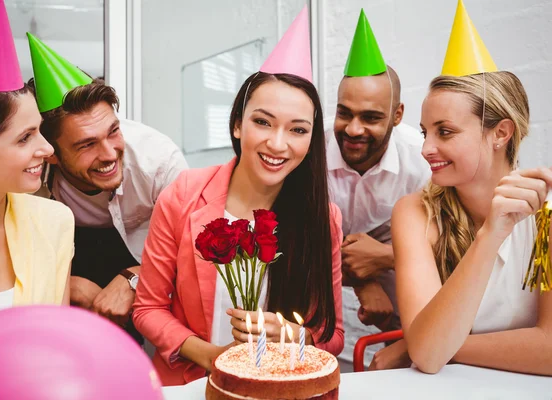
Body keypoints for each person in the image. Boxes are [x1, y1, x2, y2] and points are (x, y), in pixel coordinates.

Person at [132, 8, 344, 385]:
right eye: (262, 122)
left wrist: (294, 335)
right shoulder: (183, 194)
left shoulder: (321, 217)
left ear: (311, 142)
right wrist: (212, 357)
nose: (277, 144)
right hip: (192, 384)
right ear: (236, 123)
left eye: (297, 130)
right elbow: (148, 308)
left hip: (278, 386)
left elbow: (331, 334)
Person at [392, 1, 552, 376]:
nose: (426, 148)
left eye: (444, 131)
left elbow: (550, 348)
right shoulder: (415, 213)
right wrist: (491, 234)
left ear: (500, 133)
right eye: (424, 132)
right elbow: (429, 357)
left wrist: (442, 343)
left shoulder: (546, 216)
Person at [26, 34, 187, 342]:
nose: (110, 154)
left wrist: (133, 278)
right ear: (52, 154)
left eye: (113, 130)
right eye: (87, 145)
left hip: (145, 262)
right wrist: (65, 282)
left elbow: (192, 249)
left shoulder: (159, 161)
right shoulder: (26, 173)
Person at [0, 0, 73, 322]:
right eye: (25, 137)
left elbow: (56, 337)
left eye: (39, 131)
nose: (47, 149)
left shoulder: (55, 223)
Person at [326, 9, 429, 370]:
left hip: (399, 329)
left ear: (397, 115)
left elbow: (450, 243)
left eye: (370, 117)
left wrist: (386, 257)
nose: (353, 129)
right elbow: (292, 232)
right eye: (344, 113)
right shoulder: (307, 154)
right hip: (322, 324)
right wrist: (363, 280)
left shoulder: (424, 163)